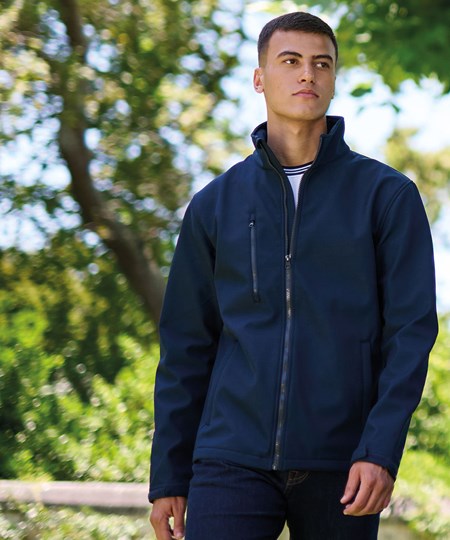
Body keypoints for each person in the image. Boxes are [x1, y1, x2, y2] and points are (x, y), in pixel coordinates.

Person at [149, 11, 438, 540]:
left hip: (344, 461)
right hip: (230, 457)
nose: (308, 73)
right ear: (260, 78)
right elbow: (186, 345)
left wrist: (380, 450)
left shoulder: (386, 196)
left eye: (321, 64)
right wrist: (169, 473)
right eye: (290, 61)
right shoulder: (215, 204)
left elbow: (410, 334)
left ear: (333, 79)